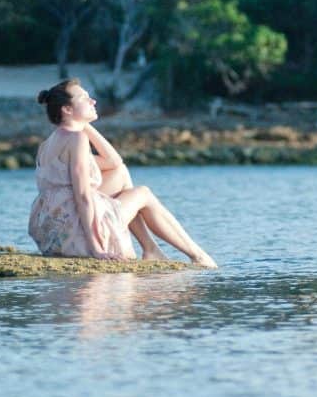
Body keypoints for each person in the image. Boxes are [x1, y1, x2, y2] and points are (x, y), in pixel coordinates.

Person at [28, 79, 217, 267]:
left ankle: (151, 249)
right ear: (67, 109)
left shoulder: (48, 144)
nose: (93, 101)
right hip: (74, 235)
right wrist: (97, 248)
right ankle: (197, 255)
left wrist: (83, 123)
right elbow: (83, 195)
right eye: (85, 98)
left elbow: (114, 162)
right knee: (143, 193)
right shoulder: (76, 139)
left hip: (53, 234)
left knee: (121, 173)